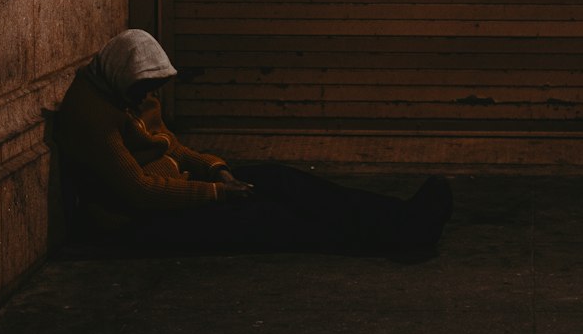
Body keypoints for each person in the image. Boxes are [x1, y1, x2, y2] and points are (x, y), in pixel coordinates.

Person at [55, 28, 453, 256]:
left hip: (181, 190)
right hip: (139, 223)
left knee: (282, 182)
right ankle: (400, 237)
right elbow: (138, 191)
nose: (148, 98)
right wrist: (215, 194)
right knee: (275, 219)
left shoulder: (125, 88)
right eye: (144, 89)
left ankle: (402, 219)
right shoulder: (94, 116)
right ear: (124, 77)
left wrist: (217, 169)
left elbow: (171, 148)